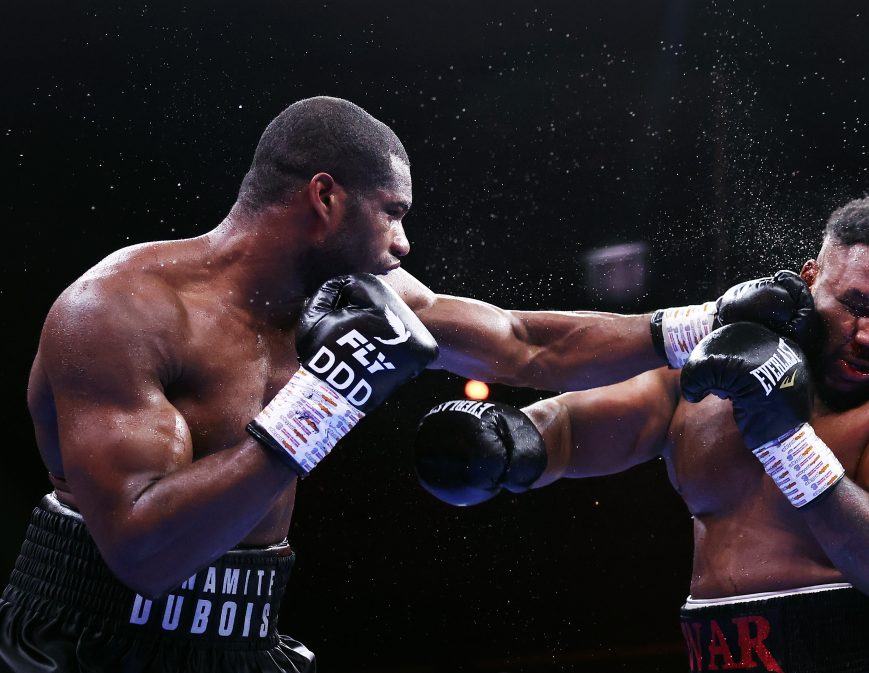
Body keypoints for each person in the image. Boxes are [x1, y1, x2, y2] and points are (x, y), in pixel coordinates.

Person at [0, 96, 813, 673]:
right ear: (325, 197)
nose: (402, 242)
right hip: (87, 638)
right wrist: (328, 396)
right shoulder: (121, 310)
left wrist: (698, 320)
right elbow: (144, 551)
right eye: (391, 212)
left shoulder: (357, 297)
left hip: (243, 635)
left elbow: (527, 345)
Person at [415, 195, 869, 673]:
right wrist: (513, 442)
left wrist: (786, 442)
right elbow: (572, 428)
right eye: (856, 305)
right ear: (810, 280)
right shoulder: (715, 365)